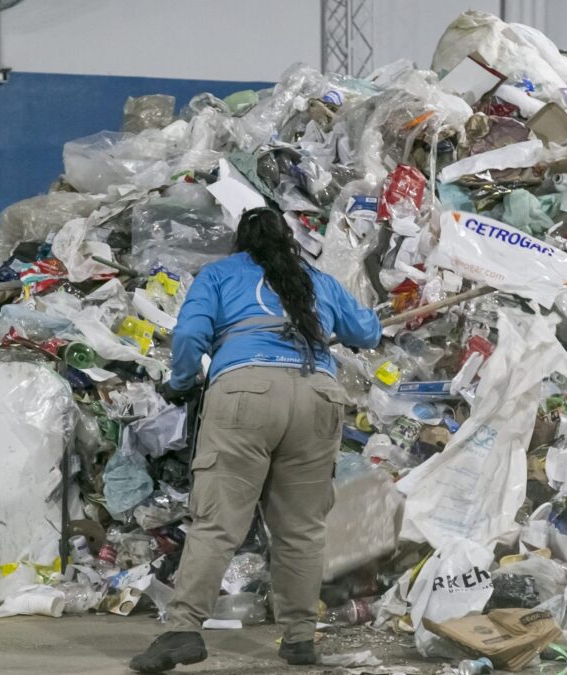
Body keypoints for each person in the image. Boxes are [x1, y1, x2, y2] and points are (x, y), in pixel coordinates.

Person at [130, 207, 381, 673]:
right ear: (289, 241)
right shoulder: (315, 280)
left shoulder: (221, 273)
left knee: (217, 523)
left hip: (245, 392)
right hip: (318, 396)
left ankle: (185, 630)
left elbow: (189, 335)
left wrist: (183, 382)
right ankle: (301, 638)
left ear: (240, 244)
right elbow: (367, 331)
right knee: (301, 529)